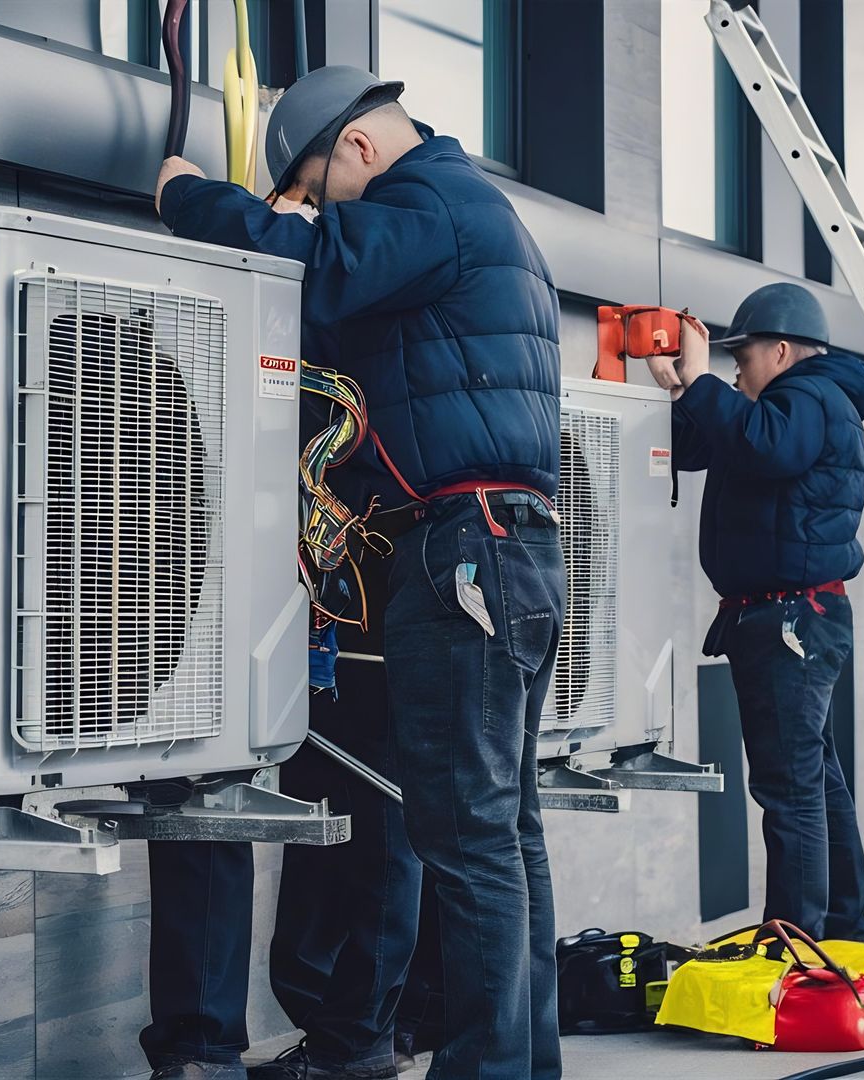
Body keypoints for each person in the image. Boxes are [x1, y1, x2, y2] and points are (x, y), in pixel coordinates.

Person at [147, 65, 567, 1080]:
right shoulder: (482, 222)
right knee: (503, 832)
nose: (325, 205)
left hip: (465, 554)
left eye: (323, 184)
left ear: (362, 148)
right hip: (509, 552)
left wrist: (187, 195)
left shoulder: (432, 202)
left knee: (469, 844)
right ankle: (523, 1065)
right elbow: (346, 319)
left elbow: (305, 258)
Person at [645, 283, 864, 942]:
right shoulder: (778, 407)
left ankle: (798, 944)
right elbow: (702, 445)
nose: (735, 369)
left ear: (780, 350)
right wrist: (679, 388)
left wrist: (698, 382)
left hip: (790, 624)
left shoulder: (810, 398)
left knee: (789, 788)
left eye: (741, 357)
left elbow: (763, 444)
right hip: (789, 621)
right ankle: (838, 928)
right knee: (812, 780)